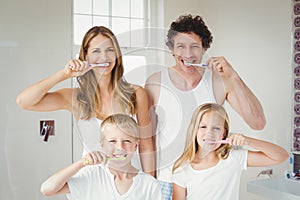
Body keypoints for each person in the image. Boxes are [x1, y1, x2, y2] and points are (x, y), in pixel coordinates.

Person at [145, 14, 266, 199]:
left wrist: (233, 76)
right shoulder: (156, 82)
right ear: (171, 49)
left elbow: (257, 122)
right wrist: (149, 185)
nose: (188, 54)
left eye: (194, 46)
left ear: (204, 48)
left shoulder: (219, 82)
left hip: (206, 180)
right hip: (166, 182)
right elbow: (148, 141)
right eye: (181, 46)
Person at [16, 26, 155, 175]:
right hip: (91, 181)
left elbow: (146, 145)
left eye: (109, 50)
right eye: (96, 51)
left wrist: (150, 184)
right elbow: (24, 101)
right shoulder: (75, 98)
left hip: (130, 181)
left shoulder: (136, 94)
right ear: (86, 56)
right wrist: (64, 74)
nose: (104, 57)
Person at [171, 103, 288, 200]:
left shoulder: (233, 159)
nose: (209, 134)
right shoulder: (182, 169)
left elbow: (281, 156)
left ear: (223, 134)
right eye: (203, 127)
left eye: (216, 128)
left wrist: (248, 141)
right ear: (195, 130)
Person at [40, 114, 163, 200]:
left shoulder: (149, 184)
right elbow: (47, 189)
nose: (120, 147)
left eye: (126, 141)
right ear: (102, 145)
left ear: (136, 146)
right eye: (112, 141)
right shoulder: (91, 175)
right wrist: (81, 163)